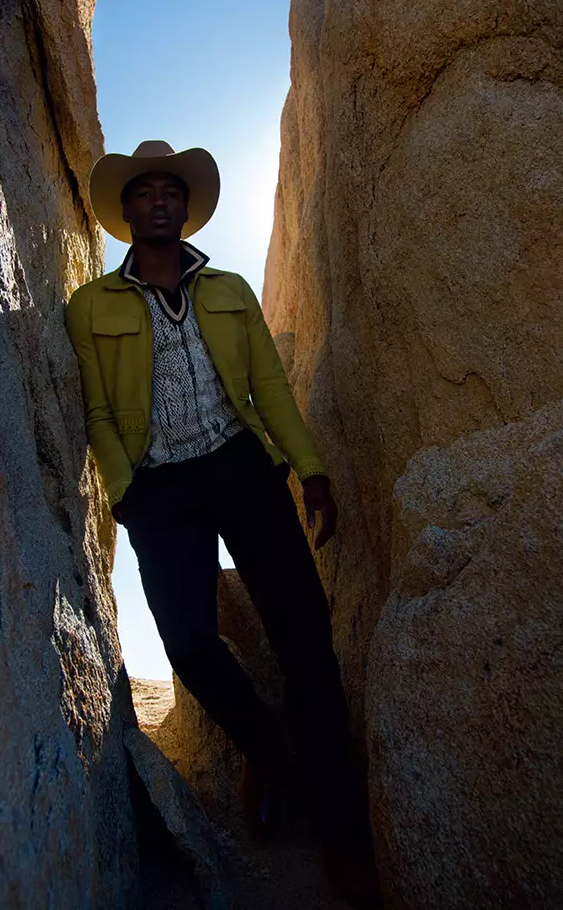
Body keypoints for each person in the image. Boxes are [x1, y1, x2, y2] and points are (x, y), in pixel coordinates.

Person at [66, 140, 374, 900]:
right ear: (128, 211)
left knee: (305, 634)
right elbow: (97, 410)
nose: (159, 201)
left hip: (242, 469)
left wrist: (311, 468)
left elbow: (267, 386)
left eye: (171, 190)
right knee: (189, 643)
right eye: (145, 193)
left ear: (184, 205)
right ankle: (266, 750)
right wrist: (126, 491)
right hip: (160, 489)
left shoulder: (229, 289)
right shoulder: (90, 305)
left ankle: (341, 830)